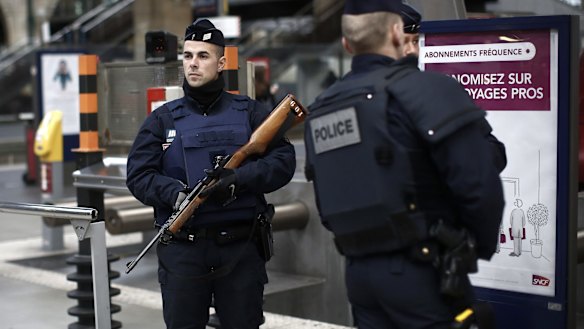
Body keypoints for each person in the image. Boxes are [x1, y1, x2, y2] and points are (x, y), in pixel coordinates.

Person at [303, 1, 506, 328]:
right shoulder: (428, 89)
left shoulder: (322, 109)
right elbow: (479, 184)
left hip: (358, 276)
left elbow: (327, 203)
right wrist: (469, 249)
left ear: (346, 43)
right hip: (424, 270)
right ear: (398, 33)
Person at [126, 18, 296, 329]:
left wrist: (237, 180)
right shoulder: (161, 120)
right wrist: (174, 194)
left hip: (241, 249)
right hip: (183, 251)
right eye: (188, 56)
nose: (193, 64)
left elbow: (284, 160)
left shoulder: (251, 113)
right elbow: (138, 175)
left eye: (203, 56)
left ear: (220, 63)